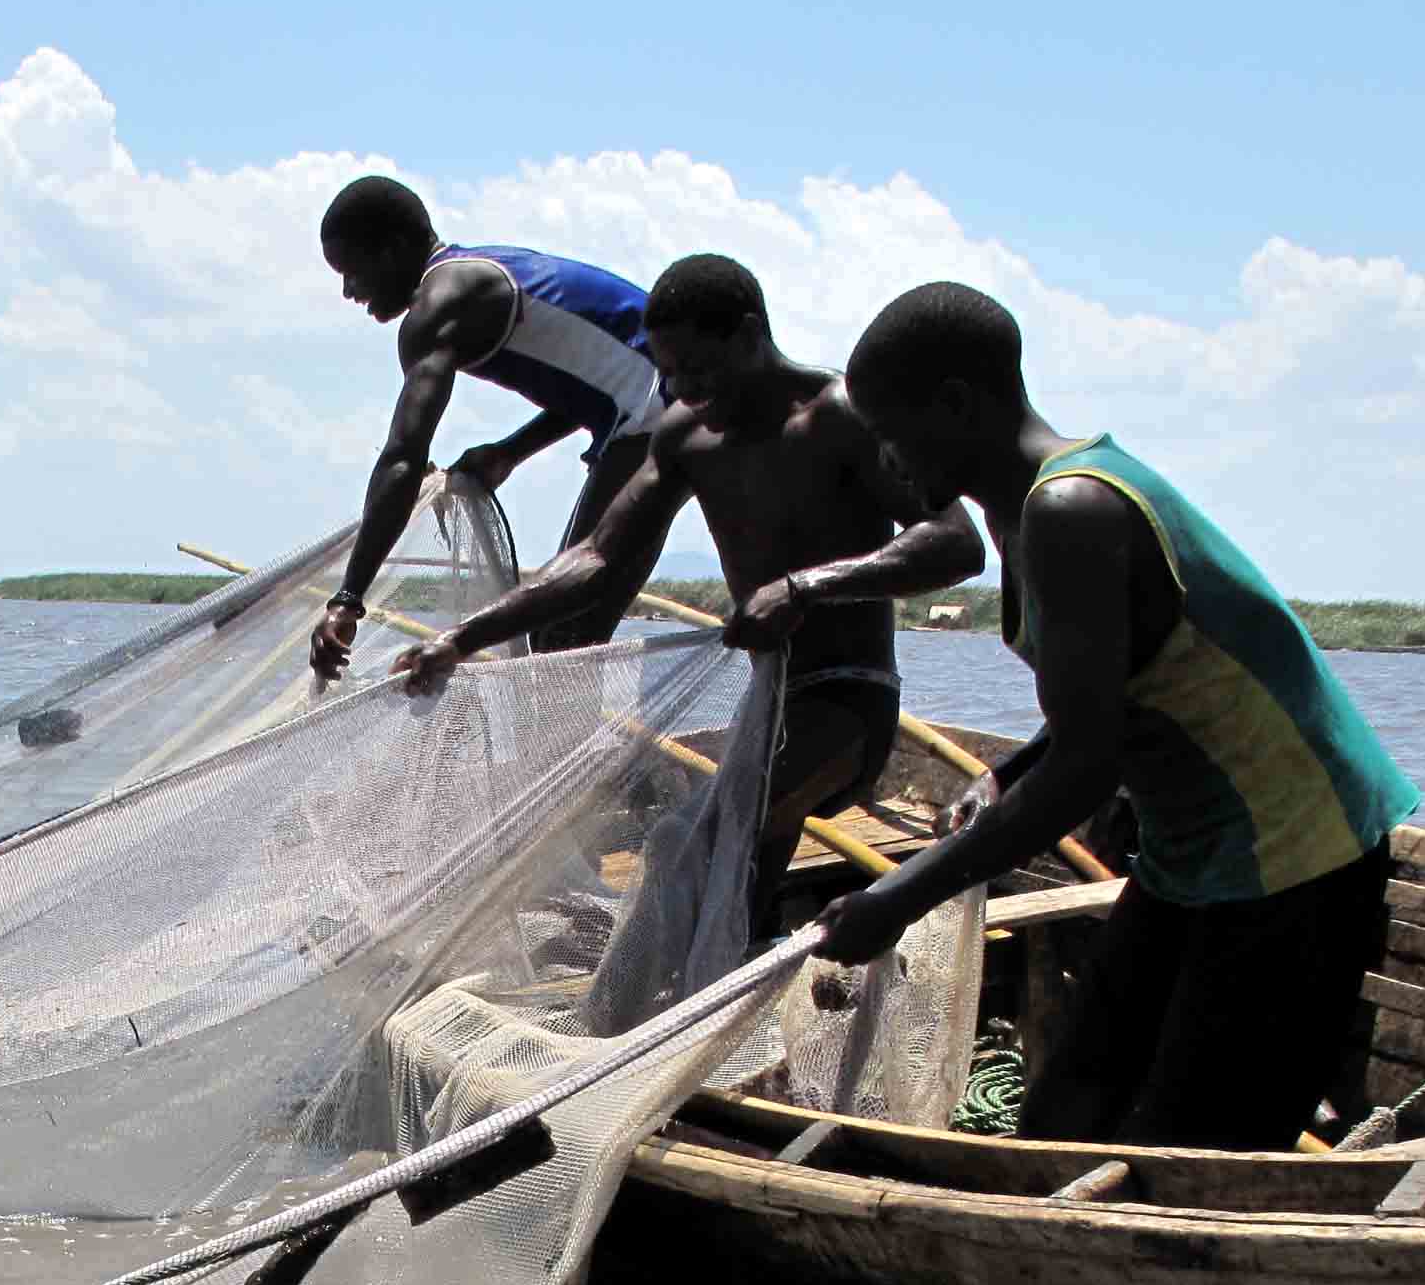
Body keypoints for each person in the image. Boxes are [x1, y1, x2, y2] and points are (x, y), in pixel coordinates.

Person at [808, 280, 1420, 1150]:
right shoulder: (1023, 513)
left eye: (892, 434)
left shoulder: (1074, 509)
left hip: (1297, 852)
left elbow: (1087, 770)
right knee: (1069, 1111)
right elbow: (1108, 701)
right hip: (1193, 852)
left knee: (1197, 1154)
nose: (887, 462)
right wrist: (1004, 775)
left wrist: (900, 895)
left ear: (957, 405)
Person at [392, 254, 986, 957]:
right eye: (670, 373)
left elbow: (956, 544)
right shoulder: (686, 435)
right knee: (735, 908)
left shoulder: (839, 416)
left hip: (848, 697)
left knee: (688, 838)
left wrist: (804, 588)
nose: (684, 389)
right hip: (766, 706)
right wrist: (462, 638)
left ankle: (630, 1008)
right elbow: (599, 557)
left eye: (700, 369)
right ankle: (727, 992)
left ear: (750, 335)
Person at [311, 175, 668, 677]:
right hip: (655, 406)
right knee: (560, 631)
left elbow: (403, 457)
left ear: (391, 251)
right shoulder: (472, 277)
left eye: (352, 272)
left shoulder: (439, 305)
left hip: (665, 411)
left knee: (563, 633)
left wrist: (348, 599)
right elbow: (600, 385)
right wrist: (510, 451)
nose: (349, 291)